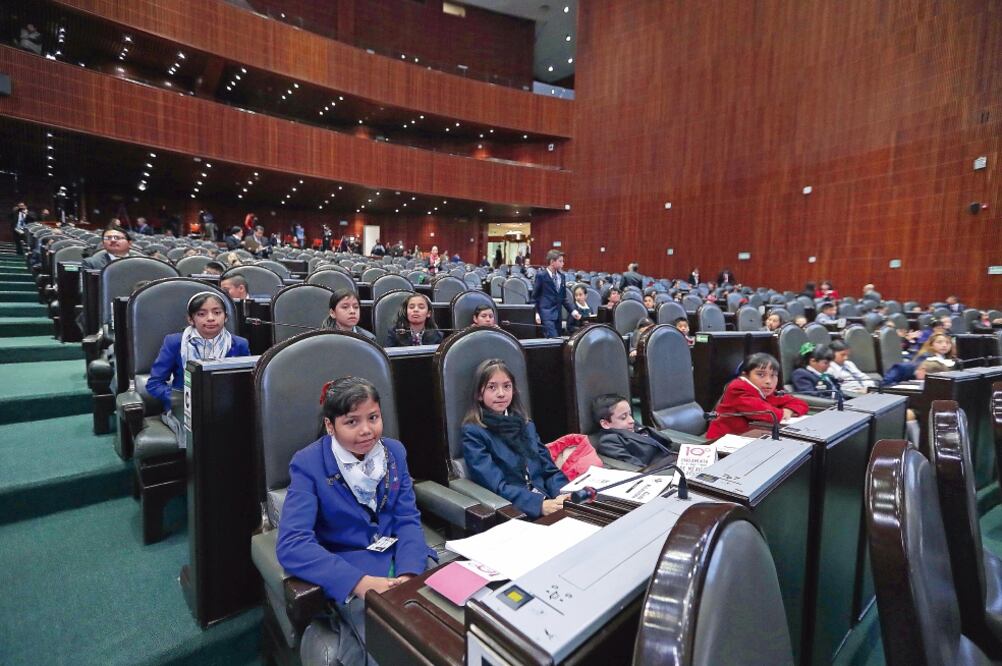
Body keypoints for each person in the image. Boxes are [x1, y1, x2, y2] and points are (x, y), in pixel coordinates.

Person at [276, 377, 433, 664]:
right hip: (352, 570)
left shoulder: (394, 452)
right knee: (390, 645)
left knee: (446, 625)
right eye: (352, 422)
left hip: (404, 557)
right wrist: (359, 583)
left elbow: (408, 518)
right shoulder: (309, 463)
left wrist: (410, 574)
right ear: (329, 425)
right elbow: (292, 544)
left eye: (373, 418)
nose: (366, 430)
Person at [462, 359, 569, 518]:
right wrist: (539, 505)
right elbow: (496, 486)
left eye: (507, 386)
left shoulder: (526, 425)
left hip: (549, 501)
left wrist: (563, 494)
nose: (501, 393)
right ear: (479, 394)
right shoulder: (474, 432)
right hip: (515, 511)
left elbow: (550, 471)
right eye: (492, 387)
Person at [146, 292, 250, 417]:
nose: (211, 318)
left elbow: (247, 384)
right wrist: (181, 399)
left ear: (226, 317)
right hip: (185, 409)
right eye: (201, 314)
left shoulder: (239, 344)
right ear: (190, 319)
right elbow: (154, 384)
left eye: (217, 313)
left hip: (226, 409)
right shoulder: (174, 343)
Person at [706, 353, 808, 439]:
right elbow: (768, 414)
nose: (768, 381)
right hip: (722, 441)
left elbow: (801, 403)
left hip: (749, 437)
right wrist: (783, 411)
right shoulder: (738, 389)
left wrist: (789, 410)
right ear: (745, 375)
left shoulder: (764, 391)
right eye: (761, 375)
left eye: (773, 375)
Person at [592, 394, 675, 468]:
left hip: (673, 457)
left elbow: (667, 443)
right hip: (663, 469)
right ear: (606, 424)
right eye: (623, 417)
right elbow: (637, 468)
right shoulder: (609, 441)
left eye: (630, 414)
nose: (632, 420)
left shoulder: (633, 426)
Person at [532, 249, 577, 338]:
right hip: (546, 314)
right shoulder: (541, 276)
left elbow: (563, 298)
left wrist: (572, 311)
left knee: (558, 341)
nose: (563, 263)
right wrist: (535, 313)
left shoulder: (562, 277)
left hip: (558, 316)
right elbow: (534, 297)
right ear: (552, 262)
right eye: (560, 261)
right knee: (554, 339)